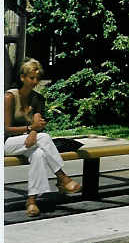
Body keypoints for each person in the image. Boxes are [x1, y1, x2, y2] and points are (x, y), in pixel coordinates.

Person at [4, 58, 81, 217]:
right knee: (44, 137)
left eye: (37, 78)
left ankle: (31, 201)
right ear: (22, 78)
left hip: (28, 142)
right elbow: (5, 129)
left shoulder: (38, 99)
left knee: (38, 154)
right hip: (7, 142)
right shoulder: (9, 97)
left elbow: (38, 123)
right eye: (31, 78)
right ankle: (62, 177)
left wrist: (33, 132)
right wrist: (30, 128)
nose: (35, 81)